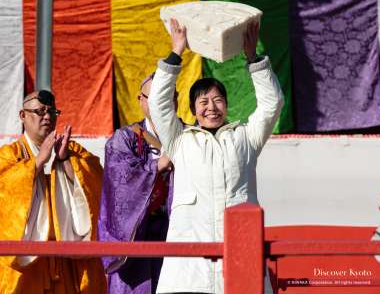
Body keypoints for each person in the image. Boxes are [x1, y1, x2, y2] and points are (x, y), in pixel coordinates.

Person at [148, 19, 284, 293]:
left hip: (239, 256)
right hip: (189, 267)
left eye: (218, 100)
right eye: (203, 101)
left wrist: (253, 59)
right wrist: (176, 53)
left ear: (227, 105)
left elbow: (272, 104)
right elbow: (158, 103)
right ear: (193, 110)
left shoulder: (247, 137)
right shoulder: (179, 140)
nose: (212, 107)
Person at [0, 90, 107, 294]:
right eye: (40, 111)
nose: (48, 116)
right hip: (28, 265)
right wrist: (37, 163)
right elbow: (2, 190)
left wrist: (65, 161)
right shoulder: (8, 156)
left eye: (52, 111)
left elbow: (97, 181)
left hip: (70, 261)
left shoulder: (72, 150)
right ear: (23, 115)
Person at [98, 74, 175, 294]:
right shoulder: (124, 138)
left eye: (167, 96)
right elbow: (118, 182)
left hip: (175, 232)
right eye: (154, 98)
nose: (161, 103)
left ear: (176, 100)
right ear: (141, 100)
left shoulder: (189, 136)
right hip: (135, 234)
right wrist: (156, 166)